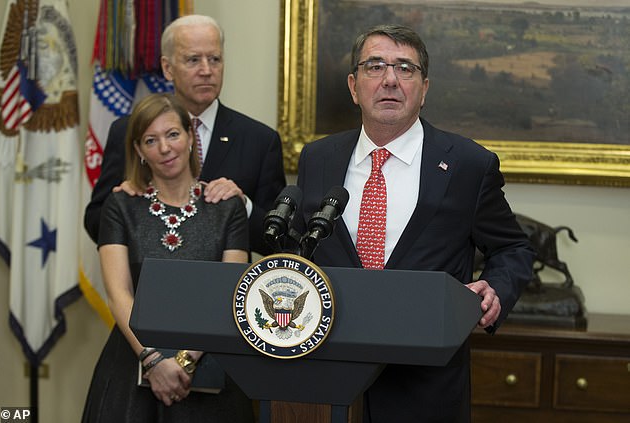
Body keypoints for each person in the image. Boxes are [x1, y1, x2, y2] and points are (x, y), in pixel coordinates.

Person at [294, 24, 535, 422]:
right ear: (354, 87)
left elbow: (513, 248)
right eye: (375, 66)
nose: (390, 79)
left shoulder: (467, 164)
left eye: (405, 68)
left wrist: (495, 290)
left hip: (425, 388)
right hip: (327, 377)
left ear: (424, 88)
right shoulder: (317, 159)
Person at [82, 93, 254, 422]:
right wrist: (153, 361)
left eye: (173, 134)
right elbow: (118, 294)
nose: (165, 148)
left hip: (210, 373)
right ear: (138, 151)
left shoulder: (226, 207)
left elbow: (230, 293)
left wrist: (185, 361)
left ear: (190, 137)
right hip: (131, 366)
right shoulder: (120, 206)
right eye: (151, 139)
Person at [84, 14, 286, 256]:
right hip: (148, 283)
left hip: (221, 287)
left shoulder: (259, 140)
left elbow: (279, 244)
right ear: (167, 68)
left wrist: (244, 206)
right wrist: (126, 205)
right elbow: (95, 222)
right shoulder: (128, 131)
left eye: (215, 59)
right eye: (193, 60)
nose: (206, 70)